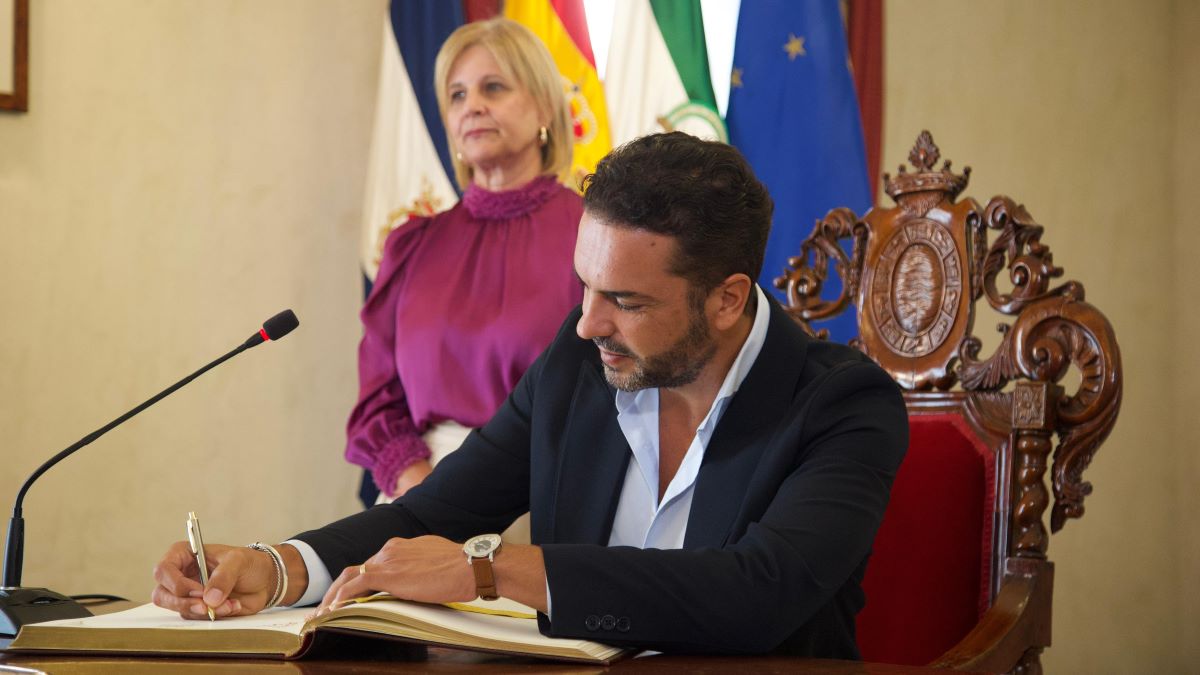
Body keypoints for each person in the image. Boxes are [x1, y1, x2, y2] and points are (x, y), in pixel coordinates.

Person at [152, 133, 909, 659]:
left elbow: (758, 595)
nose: (588, 323)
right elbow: (428, 515)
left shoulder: (843, 405)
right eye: (585, 286)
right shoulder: (578, 365)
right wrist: (278, 567)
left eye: (626, 301)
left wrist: (492, 570)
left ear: (726, 299)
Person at [349, 17, 582, 508]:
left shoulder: (593, 236)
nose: (472, 105)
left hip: (549, 492)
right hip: (420, 491)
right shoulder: (412, 246)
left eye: (493, 87)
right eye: (457, 95)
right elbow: (377, 398)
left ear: (544, 105)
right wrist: (423, 492)